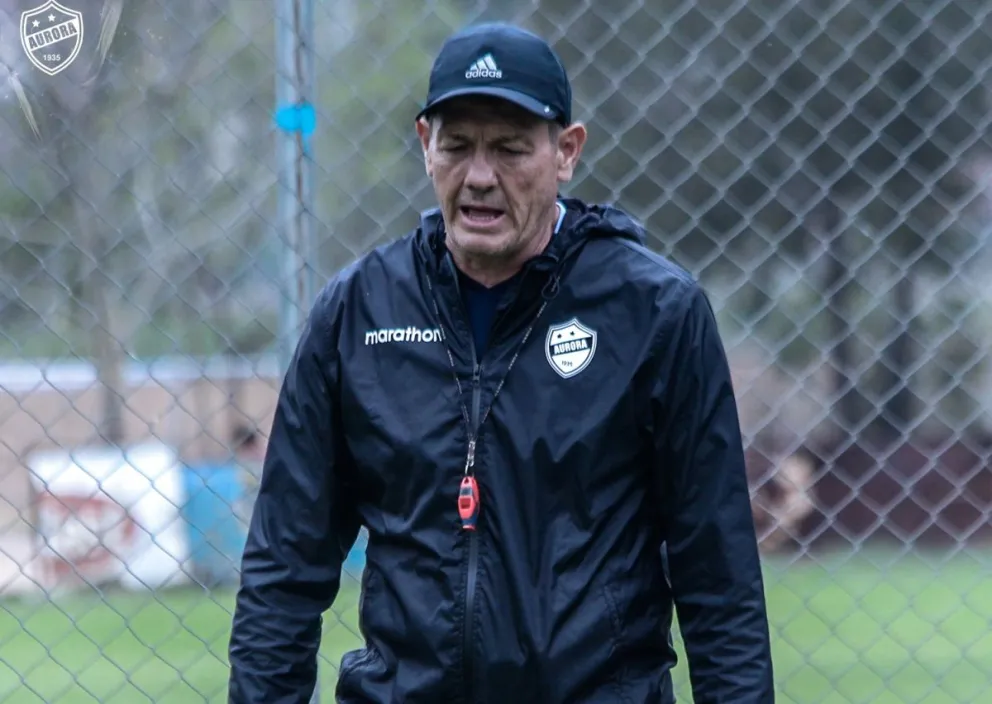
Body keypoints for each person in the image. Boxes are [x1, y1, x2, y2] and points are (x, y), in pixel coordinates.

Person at [228, 21, 774, 704]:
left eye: (511, 149)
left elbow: (717, 573)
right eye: (458, 146)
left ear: (565, 152)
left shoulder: (654, 313)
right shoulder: (356, 313)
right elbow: (285, 565)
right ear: (426, 144)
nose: (480, 176)